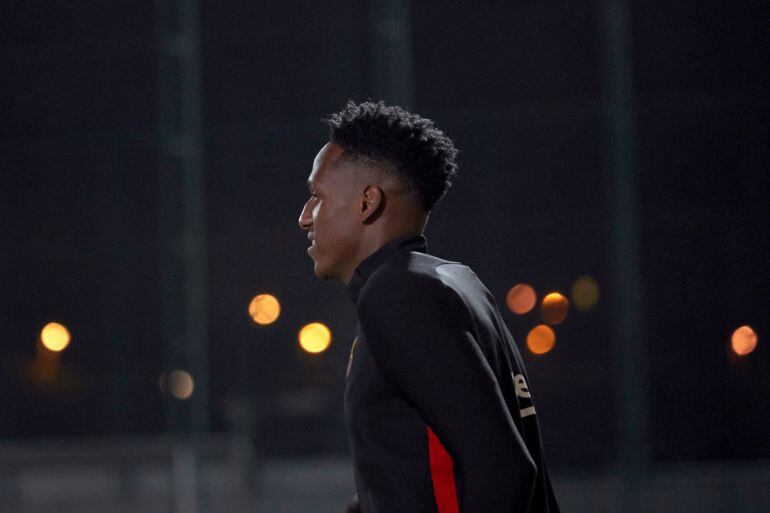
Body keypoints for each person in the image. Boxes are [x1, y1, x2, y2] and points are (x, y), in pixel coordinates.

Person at [298, 100, 560, 513]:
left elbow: (504, 472)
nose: (305, 217)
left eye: (317, 197)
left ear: (368, 202)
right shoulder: (452, 281)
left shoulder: (401, 296)